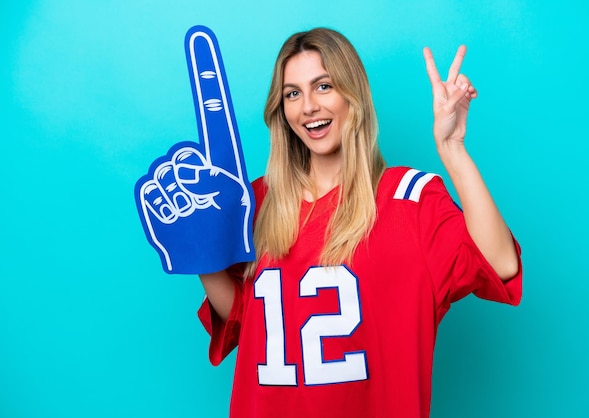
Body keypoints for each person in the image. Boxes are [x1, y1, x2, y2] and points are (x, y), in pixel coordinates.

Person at [196, 27, 522, 418]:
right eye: (293, 93)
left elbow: (501, 262)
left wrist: (452, 149)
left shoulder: (410, 197)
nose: (308, 107)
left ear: (353, 95)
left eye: (323, 86)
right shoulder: (258, 201)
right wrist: (199, 253)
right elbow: (247, 322)